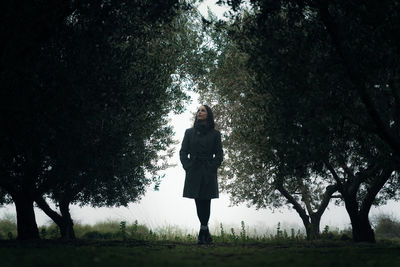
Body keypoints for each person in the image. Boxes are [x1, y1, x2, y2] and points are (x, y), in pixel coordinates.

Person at [179, 105, 223, 245]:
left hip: (208, 171)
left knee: (206, 201)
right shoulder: (189, 132)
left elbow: (219, 154)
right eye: (198, 110)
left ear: (208, 115)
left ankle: (203, 232)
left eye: (202, 110)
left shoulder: (215, 134)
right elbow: (183, 152)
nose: (199, 112)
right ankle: (205, 232)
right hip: (194, 171)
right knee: (198, 201)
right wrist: (188, 166)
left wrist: (212, 167)